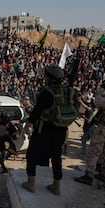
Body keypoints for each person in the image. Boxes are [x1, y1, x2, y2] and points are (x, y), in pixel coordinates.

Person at [21, 65, 78, 195]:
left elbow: (36, 113)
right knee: (57, 157)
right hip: (62, 129)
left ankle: (31, 184)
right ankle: (56, 186)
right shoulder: (69, 91)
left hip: (44, 129)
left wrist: (26, 128)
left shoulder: (47, 93)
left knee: (32, 154)